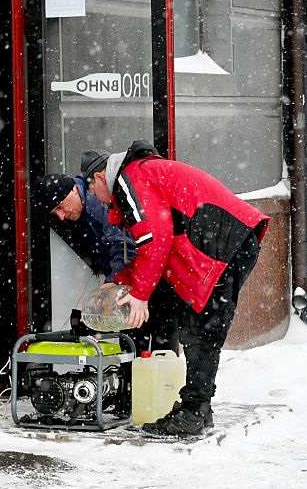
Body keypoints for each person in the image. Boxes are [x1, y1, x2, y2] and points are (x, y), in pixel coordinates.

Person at [83, 140, 270, 437]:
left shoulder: (131, 178)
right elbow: (155, 245)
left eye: (93, 190)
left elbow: (154, 239)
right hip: (224, 241)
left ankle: (194, 413)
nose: (98, 199)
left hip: (222, 242)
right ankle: (198, 410)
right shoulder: (141, 174)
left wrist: (141, 295)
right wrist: (122, 281)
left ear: (100, 177)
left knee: (203, 330)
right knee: (200, 328)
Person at [38, 171, 179, 353]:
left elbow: (124, 245)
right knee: (135, 343)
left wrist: (114, 280)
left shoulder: (98, 205)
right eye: (55, 212)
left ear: (73, 190)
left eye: (60, 207)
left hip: (150, 278)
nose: (61, 216)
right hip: (133, 280)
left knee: (153, 346)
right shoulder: (78, 209)